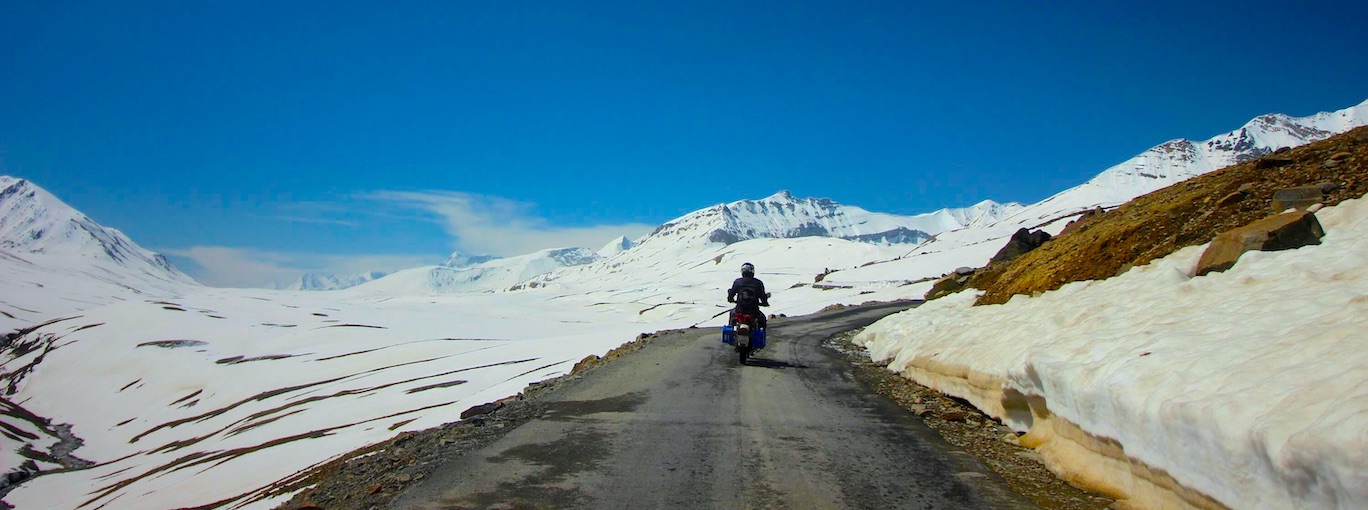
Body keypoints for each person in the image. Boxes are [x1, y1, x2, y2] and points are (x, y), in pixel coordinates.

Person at [727, 262, 770, 329]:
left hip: (739, 310)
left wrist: (730, 299)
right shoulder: (758, 283)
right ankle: (761, 338)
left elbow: (731, 294)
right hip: (753, 311)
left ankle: (731, 333)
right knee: (762, 319)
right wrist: (765, 303)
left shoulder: (737, 282)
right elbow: (762, 296)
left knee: (732, 315)